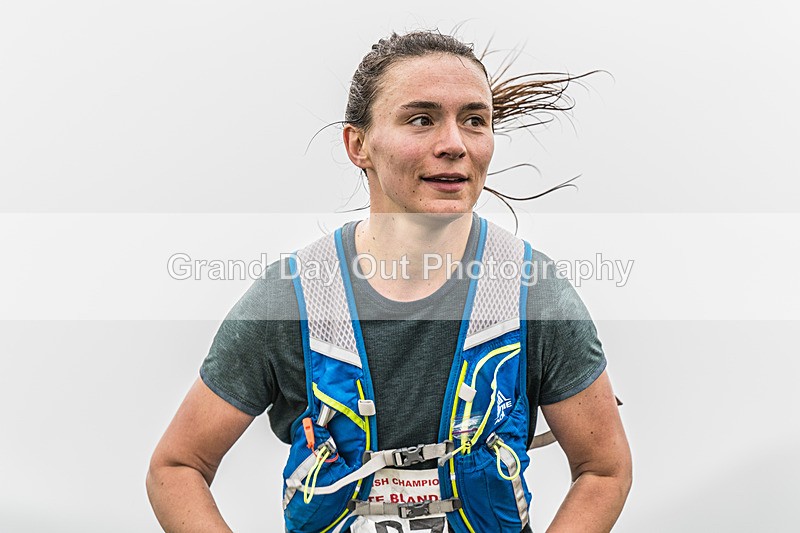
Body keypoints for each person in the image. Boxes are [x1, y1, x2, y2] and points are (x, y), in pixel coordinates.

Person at [146, 30, 632, 532]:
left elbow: (604, 469)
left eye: (474, 120)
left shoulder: (533, 295)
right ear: (359, 145)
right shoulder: (292, 299)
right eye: (421, 120)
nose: (454, 144)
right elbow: (177, 467)